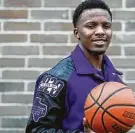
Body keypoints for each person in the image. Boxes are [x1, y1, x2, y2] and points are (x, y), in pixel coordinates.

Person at [25, 0, 124, 132]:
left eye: (106, 26)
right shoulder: (56, 78)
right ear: (77, 33)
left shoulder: (114, 77)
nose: (100, 31)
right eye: (91, 26)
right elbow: (37, 130)